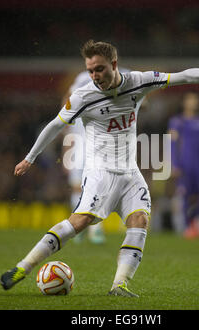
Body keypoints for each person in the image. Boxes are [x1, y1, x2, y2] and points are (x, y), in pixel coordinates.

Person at [0, 40, 199, 297]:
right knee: (80, 221)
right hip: (100, 172)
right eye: (90, 71)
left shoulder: (138, 81)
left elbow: (182, 76)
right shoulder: (83, 96)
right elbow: (54, 125)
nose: (94, 76)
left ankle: (119, 285)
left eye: (99, 69)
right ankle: (23, 267)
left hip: (130, 173)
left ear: (114, 64)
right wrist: (30, 158)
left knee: (140, 220)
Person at [62, 67, 130, 244]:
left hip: (105, 142)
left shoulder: (125, 77)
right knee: (77, 185)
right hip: (79, 140)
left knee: (98, 183)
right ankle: (79, 226)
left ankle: (94, 228)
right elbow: (67, 101)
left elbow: (141, 102)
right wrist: (66, 144)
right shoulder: (83, 77)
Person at [168, 92, 199, 239]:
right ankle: (189, 228)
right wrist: (174, 164)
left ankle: (194, 218)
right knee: (185, 196)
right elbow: (172, 143)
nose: (194, 102)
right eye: (191, 100)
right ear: (184, 103)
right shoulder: (177, 121)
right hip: (185, 164)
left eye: (196, 99)